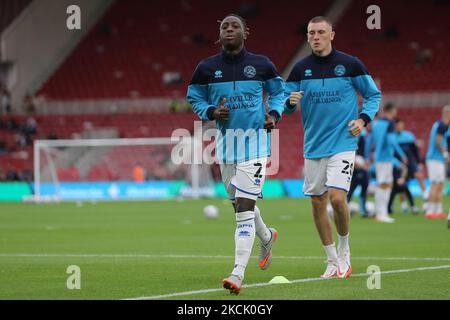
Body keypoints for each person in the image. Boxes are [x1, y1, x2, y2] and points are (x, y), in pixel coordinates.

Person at [186, 14, 284, 294]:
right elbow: (194, 96)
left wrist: (274, 114)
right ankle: (267, 236)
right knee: (239, 204)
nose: (229, 29)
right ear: (219, 34)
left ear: (246, 32)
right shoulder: (206, 68)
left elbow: (279, 92)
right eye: (224, 27)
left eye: (235, 26)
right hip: (227, 147)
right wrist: (212, 112)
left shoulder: (262, 65)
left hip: (255, 146)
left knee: (243, 208)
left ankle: (237, 273)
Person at [284, 16, 381, 279]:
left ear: (332, 35)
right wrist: (290, 102)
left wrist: (363, 119)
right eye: (311, 32)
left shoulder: (350, 64)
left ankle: (345, 250)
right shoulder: (299, 69)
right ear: (307, 37)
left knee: (337, 198)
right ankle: (330, 259)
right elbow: (284, 103)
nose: (316, 36)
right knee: (317, 203)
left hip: (344, 141)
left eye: (321, 32)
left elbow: (373, 95)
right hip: (314, 145)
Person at [369, 103, 407, 223]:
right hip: (386, 159)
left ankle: (380, 213)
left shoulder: (375, 123)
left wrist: (367, 157)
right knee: (386, 185)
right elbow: (391, 142)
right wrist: (402, 155)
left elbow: (370, 140)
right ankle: (382, 213)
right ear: (391, 111)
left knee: (382, 184)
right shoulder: (390, 123)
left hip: (378, 158)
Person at [394, 118, 425, 212]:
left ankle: (426, 199)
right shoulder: (392, 137)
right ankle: (404, 204)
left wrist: (419, 162)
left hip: (411, 162)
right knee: (402, 183)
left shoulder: (409, 136)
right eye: (398, 125)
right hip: (400, 163)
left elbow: (415, 151)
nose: (399, 127)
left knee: (419, 176)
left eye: (401, 125)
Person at [424, 105, 450, 219]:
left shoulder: (440, 124)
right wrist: (445, 153)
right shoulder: (442, 125)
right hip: (434, 158)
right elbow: (438, 141)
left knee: (440, 184)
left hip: (438, 159)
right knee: (435, 184)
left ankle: (438, 210)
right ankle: (430, 211)